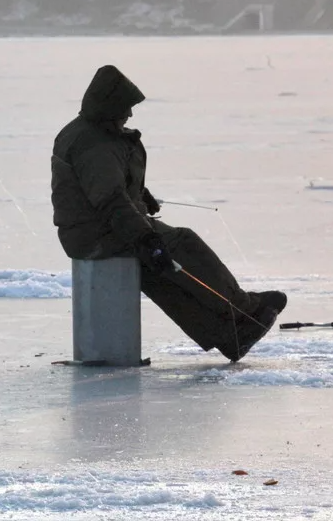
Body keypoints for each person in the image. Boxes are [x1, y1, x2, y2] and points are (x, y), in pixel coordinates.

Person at [50, 65, 287, 362]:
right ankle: (243, 309)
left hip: (90, 230)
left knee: (157, 272)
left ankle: (228, 334)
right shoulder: (95, 143)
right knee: (181, 244)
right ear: (110, 106)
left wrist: (140, 195)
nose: (130, 115)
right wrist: (148, 239)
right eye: (126, 108)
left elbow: (105, 186)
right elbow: (110, 199)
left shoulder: (90, 132)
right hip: (97, 233)